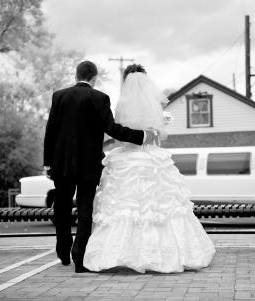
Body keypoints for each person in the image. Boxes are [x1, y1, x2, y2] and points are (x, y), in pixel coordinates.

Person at [83, 64, 215, 273]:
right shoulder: (152, 105)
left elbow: (116, 131)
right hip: (151, 158)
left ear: (125, 81)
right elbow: (158, 135)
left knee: (124, 207)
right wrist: (158, 125)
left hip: (126, 159)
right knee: (160, 207)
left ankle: (118, 254)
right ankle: (168, 254)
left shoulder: (120, 104)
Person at [43, 61, 158, 273]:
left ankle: (63, 250)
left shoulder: (59, 96)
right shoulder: (99, 98)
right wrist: (141, 135)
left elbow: (50, 131)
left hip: (62, 165)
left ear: (76, 75)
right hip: (88, 165)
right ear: (94, 78)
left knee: (62, 208)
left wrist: (48, 163)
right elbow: (113, 130)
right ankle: (79, 258)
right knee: (86, 209)